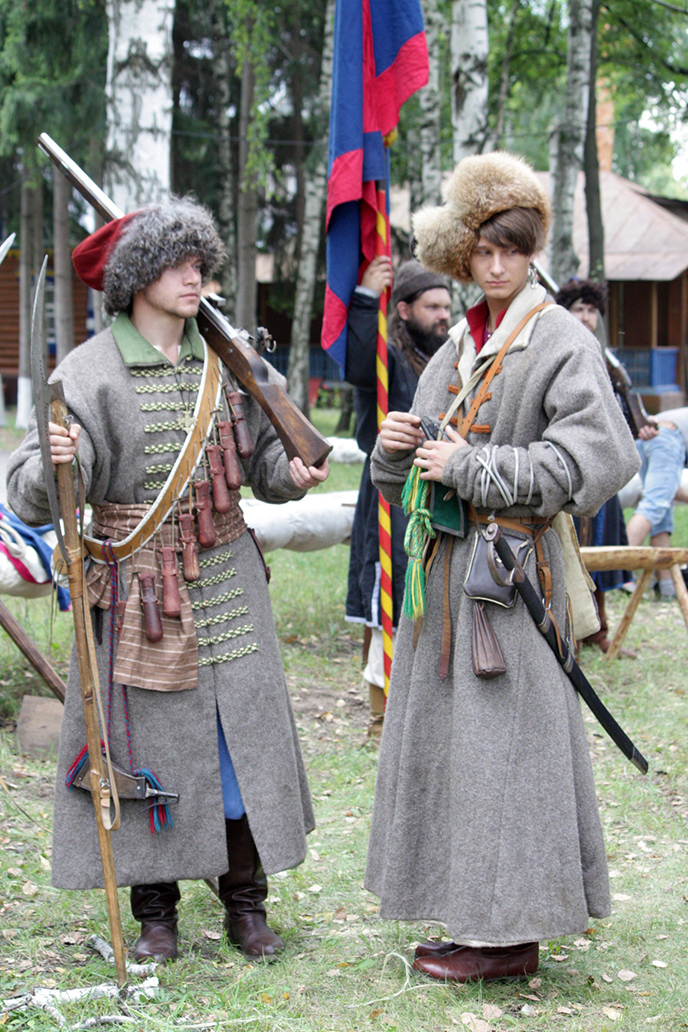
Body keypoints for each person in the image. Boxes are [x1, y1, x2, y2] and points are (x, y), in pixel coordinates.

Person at [7, 198, 328, 964]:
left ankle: (246, 904)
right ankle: (156, 914)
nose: (196, 278)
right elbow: (30, 490)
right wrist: (61, 460)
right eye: (179, 264)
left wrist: (290, 473)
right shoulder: (86, 371)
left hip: (228, 580)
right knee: (144, 747)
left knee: (237, 743)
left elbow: (261, 461)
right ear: (137, 275)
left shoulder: (229, 356)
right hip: (137, 589)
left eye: (200, 264)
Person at [363, 152, 640, 982]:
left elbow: (600, 458)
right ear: (463, 254)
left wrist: (477, 469)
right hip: (447, 576)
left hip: (516, 580)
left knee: (509, 757)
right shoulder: (456, 345)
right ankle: (472, 915)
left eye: (511, 251)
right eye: (482, 251)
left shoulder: (559, 338)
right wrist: (394, 450)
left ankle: (511, 935)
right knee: (458, 755)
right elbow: (414, 473)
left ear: (529, 252)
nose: (495, 266)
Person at [345, 258, 451, 739]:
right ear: (404, 310)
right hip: (389, 496)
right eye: (432, 307)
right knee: (386, 598)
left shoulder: (446, 359)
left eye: (447, 306)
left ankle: (422, 711)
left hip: (438, 492)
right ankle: (381, 718)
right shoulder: (385, 357)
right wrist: (367, 298)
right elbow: (356, 363)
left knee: (432, 597)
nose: (443, 315)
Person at [554, 279, 635, 653]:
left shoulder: (606, 361)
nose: (586, 317)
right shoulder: (557, 353)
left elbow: (617, 418)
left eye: (591, 310)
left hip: (603, 470)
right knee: (572, 551)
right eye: (578, 309)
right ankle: (571, 631)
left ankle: (598, 630)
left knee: (600, 546)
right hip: (570, 468)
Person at [625, 408, 688, 598]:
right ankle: (618, 574)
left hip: (650, 436)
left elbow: (673, 489)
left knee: (661, 515)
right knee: (653, 507)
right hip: (667, 437)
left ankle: (667, 587)